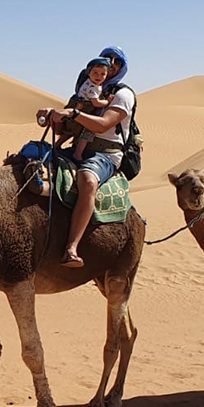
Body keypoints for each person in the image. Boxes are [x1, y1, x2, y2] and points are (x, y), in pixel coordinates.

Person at [43, 66, 137, 268]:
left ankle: (71, 247)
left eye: (115, 63)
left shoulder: (122, 94)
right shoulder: (88, 92)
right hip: (78, 147)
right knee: (32, 158)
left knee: (87, 181)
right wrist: (53, 117)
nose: (110, 68)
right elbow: (66, 129)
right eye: (105, 64)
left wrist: (73, 113)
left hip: (106, 155)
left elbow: (103, 124)